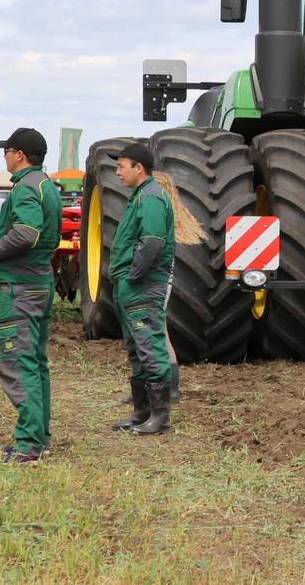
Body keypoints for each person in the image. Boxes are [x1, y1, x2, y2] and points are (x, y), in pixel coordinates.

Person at [0, 127, 62, 465]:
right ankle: (40, 438)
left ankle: (28, 447)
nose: (4, 156)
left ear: (19, 154)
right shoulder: (45, 185)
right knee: (35, 363)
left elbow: (26, 233)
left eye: (7, 150)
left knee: (17, 363)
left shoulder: (26, 188)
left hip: (18, 288)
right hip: (37, 283)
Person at [108, 143, 179, 435]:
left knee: (150, 348)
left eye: (121, 166)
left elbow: (152, 242)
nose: (117, 172)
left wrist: (133, 276)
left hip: (143, 287)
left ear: (139, 167)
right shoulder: (139, 196)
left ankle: (159, 418)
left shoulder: (150, 197)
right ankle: (141, 411)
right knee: (137, 349)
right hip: (130, 286)